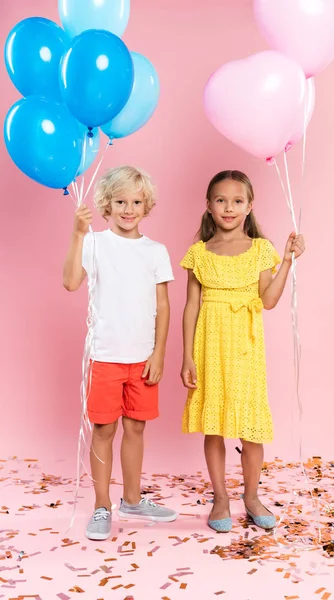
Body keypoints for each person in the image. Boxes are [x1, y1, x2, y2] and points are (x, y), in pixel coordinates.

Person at [180, 170, 305, 533]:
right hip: (209, 345)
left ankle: (251, 496)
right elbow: (191, 307)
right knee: (214, 426)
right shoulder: (199, 253)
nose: (229, 207)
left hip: (246, 349)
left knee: (251, 430)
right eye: (221, 200)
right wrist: (187, 355)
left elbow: (268, 301)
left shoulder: (260, 249)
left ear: (250, 206)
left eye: (237, 201)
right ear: (209, 205)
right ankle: (221, 497)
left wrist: (287, 261)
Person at [63, 165, 178, 540]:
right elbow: (69, 282)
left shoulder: (155, 251)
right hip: (105, 355)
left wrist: (159, 353)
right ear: (106, 205)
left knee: (136, 426)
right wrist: (78, 235)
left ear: (147, 206)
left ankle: (131, 498)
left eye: (136, 202)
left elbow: (164, 306)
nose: (129, 209)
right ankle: (101, 505)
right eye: (120, 201)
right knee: (103, 429)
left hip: (142, 357)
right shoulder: (95, 243)